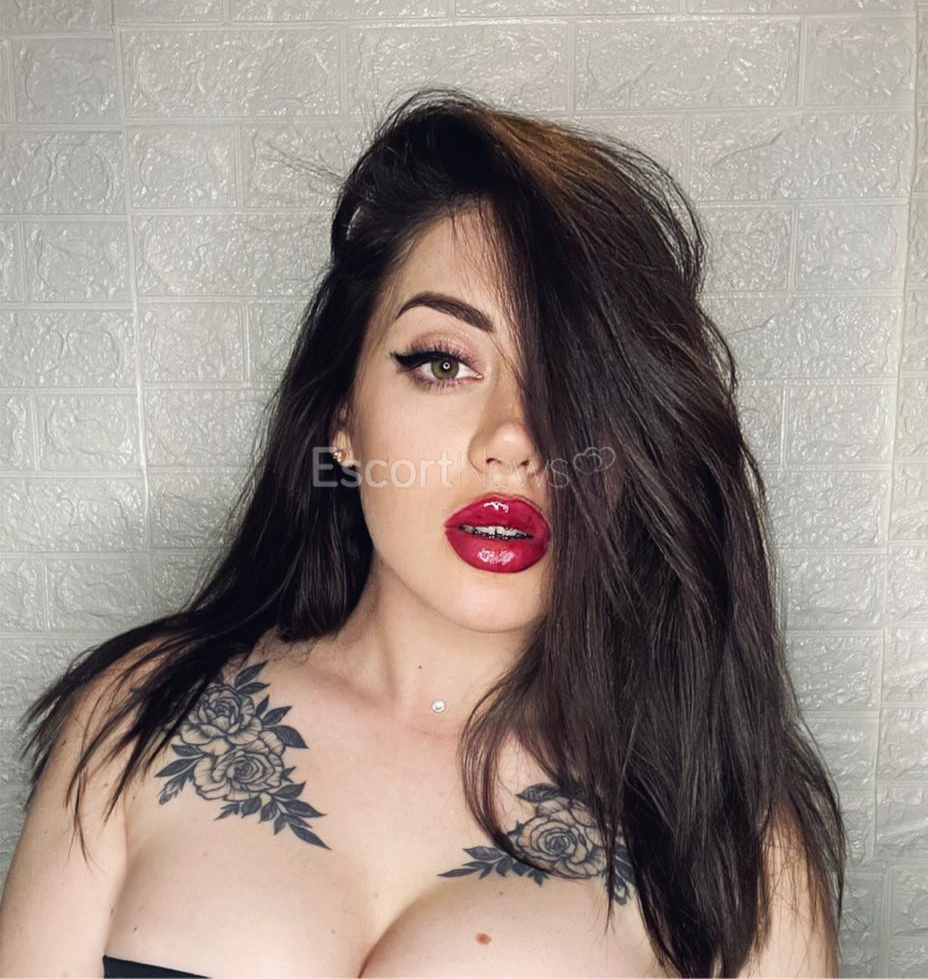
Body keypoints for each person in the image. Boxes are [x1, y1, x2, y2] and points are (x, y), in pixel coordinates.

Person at [0, 85, 846, 979]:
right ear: (342, 418)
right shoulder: (137, 716)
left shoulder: (734, 843)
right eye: (443, 362)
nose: (513, 439)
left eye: (572, 380)